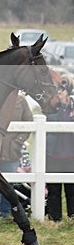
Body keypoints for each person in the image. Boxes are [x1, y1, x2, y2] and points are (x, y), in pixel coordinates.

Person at [0, 91, 33, 219]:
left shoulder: (21, 101)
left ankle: (7, 214)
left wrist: (18, 141)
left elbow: (29, 122)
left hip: (11, 151)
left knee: (9, 184)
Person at [45, 75, 74, 221]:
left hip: (71, 156)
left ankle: (72, 217)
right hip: (53, 155)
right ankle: (54, 219)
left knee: (72, 190)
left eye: (61, 91)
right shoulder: (51, 108)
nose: (59, 94)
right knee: (54, 190)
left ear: (67, 92)